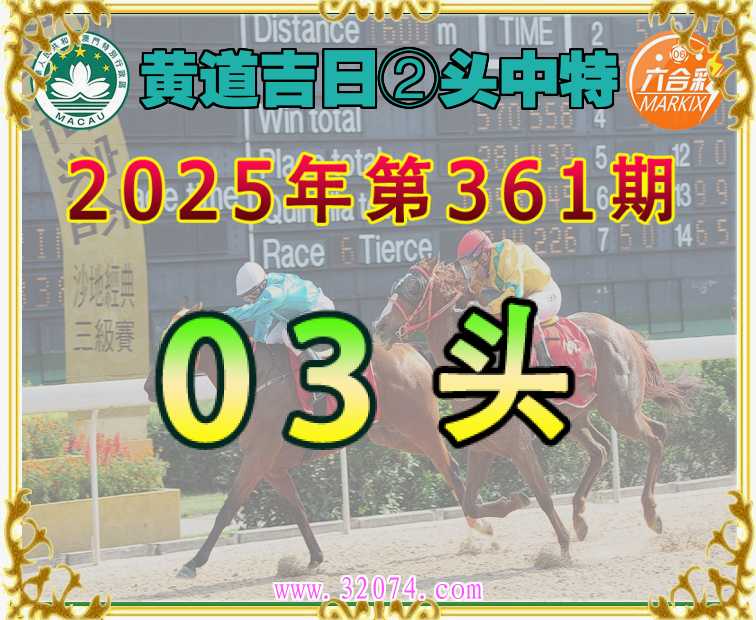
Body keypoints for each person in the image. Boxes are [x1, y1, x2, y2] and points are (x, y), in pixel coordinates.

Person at [456, 229, 561, 366]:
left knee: (523, 313)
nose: (471, 269)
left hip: (546, 292)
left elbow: (515, 294)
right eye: (467, 266)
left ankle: (545, 362)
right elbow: (471, 292)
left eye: (471, 264)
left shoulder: (506, 254)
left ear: (484, 256)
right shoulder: (483, 268)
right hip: (525, 297)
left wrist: (487, 309)